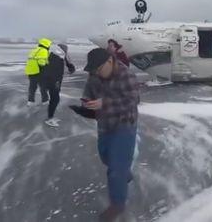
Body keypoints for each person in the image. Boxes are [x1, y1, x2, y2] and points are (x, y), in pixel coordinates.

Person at [82, 48, 139, 221]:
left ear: (109, 61)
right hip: (104, 124)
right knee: (106, 157)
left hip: (124, 124)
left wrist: (104, 103)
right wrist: (86, 102)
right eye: (94, 71)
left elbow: (132, 101)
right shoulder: (95, 75)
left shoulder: (126, 75)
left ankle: (117, 205)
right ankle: (124, 172)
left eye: (99, 69)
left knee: (115, 168)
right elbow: (88, 92)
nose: (97, 73)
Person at [41, 44, 75, 127]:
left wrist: (71, 69)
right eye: (66, 51)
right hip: (54, 81)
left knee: (54, 99)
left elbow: (68, 63)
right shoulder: (57, 57)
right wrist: (55, 81)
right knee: (55, 99)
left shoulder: (55, 55)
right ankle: (50, 119)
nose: (67, 53)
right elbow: (51, 70)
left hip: (53, 80)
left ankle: (50, 117)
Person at [25, 38, 51, 106]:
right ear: (46, 45)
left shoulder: (34, 50)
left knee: (32, 87)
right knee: (43, 86)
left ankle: (30, 101)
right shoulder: (44, 50)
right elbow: (41, 63)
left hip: (30, 70)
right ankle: (45, 101)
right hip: (38, 71)